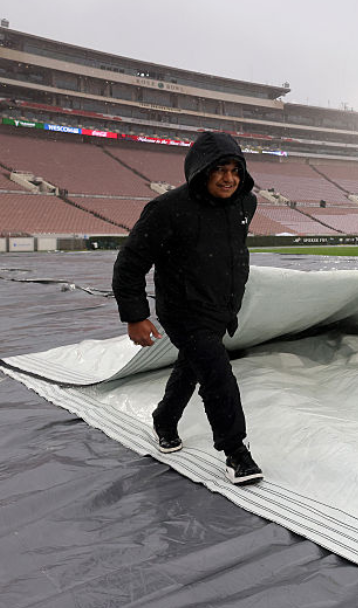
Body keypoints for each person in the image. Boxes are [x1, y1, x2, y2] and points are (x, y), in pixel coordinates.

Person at [112, 131, 263, 486]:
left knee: (192, 366)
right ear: (201, 170)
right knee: (217, 374)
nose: (229, 178)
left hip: (221, 308)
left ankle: (164, 419)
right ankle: (236, 452)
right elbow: (130, 263)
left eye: (235, 170)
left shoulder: (246, 204)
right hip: (182, 310)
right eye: (220, 170)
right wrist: (135, 315)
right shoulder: (167, 209)